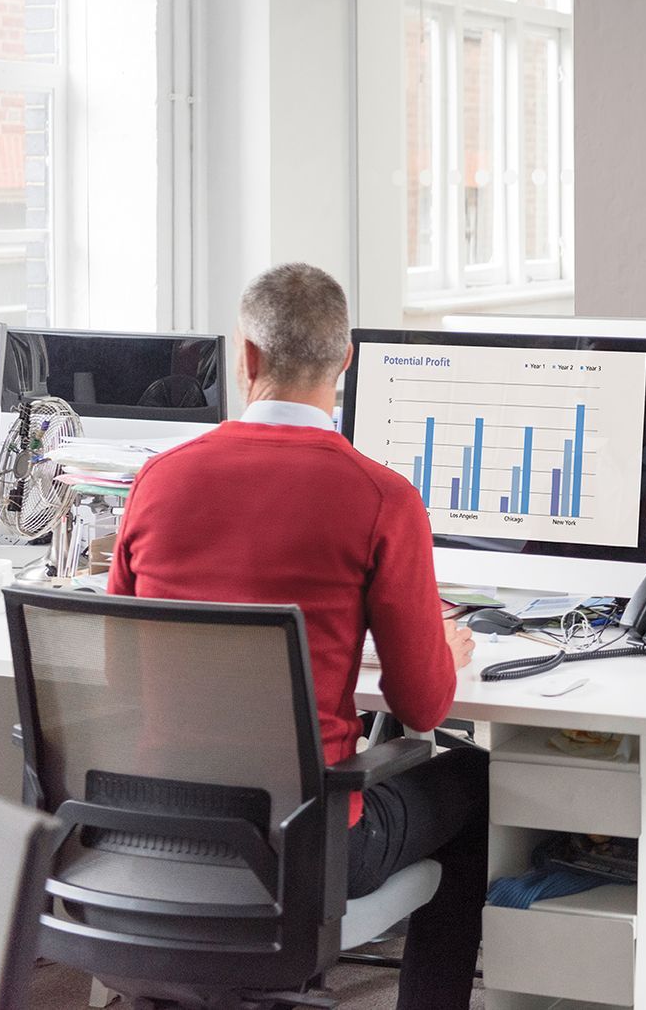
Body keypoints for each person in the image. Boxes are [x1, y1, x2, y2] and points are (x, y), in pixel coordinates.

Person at [109, 263, 484, 1009]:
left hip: (150, 828)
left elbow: (121, 672)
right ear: (345, 361)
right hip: (305, 851)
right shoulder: (382, 497)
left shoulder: (158, 479)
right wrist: (443, 647)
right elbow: (424, 706)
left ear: (245, 357)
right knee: (472, 778)